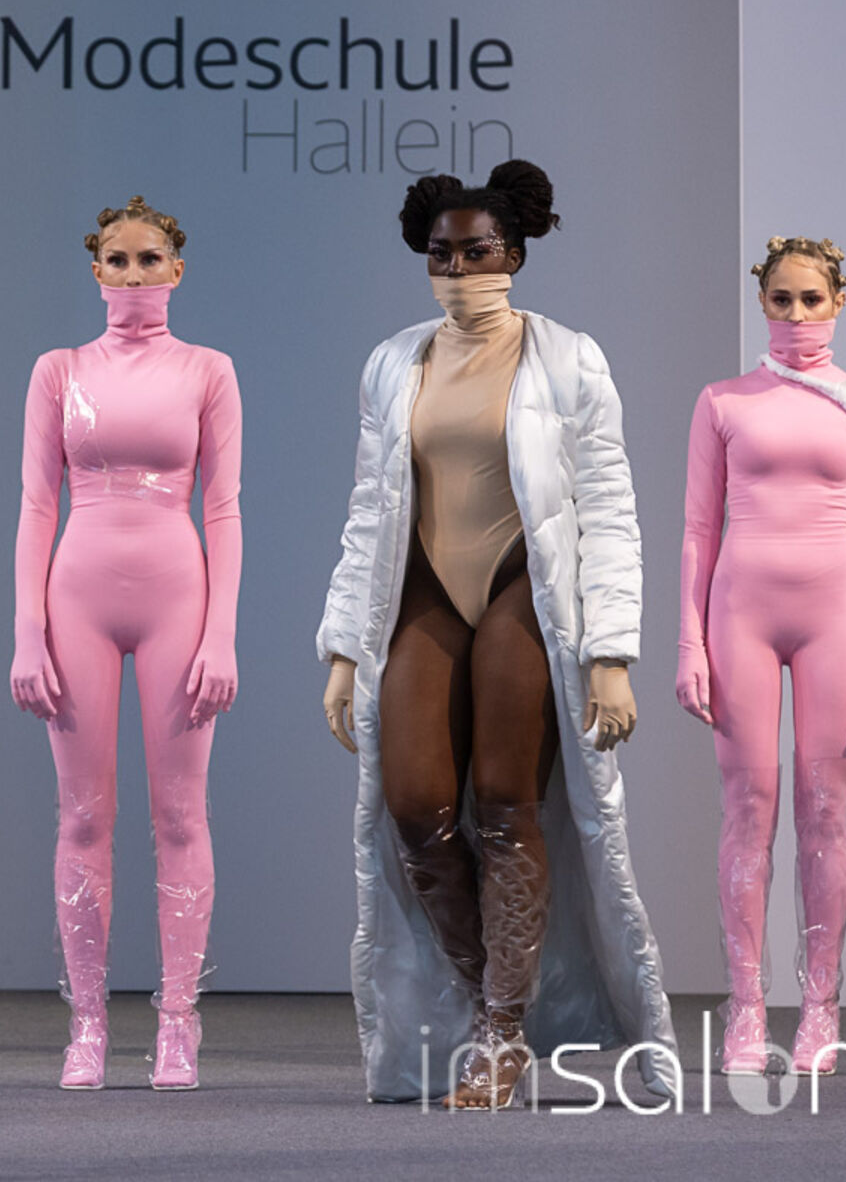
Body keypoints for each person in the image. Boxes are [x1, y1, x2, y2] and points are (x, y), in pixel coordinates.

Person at [316, 161, 675, 1108]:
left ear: (514, 252)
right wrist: (345, 647)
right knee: (414, 809)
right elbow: (370, 508)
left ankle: (503, 1034)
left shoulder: (569, 359)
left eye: (477, 252)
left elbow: (609, 505)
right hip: (427, 590)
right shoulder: (393, 362)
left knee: (507, 802)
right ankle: (486, 1005)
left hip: (525, 584)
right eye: (441, 254)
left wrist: (610, 654)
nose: (458, 269)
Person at [12, 196, 242, 1092]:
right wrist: (27, 631)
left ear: (177, 269)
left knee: (182, 814)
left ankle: (178, 1023)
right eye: (118, 259)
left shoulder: (208, 370)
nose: (135, 273)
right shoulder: (58, 370)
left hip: (177, 593)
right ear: (96, 269)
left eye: (150, 259)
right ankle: (88, 1026)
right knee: (83, 816)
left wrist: (221, 634)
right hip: (78, 596)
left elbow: (223, 508)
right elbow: (38, 504)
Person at [677, 236, 846, 1075]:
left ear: (838, 301)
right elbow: (698, 529)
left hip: (833, 618)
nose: (797, 313)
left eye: (812, 298)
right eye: (782, 299)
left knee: (824, 811)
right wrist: (689, 643)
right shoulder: (722, 401)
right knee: (749, 807)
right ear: (762, 302)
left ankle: (820, 1008)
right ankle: (746, 1011)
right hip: (740, 614)